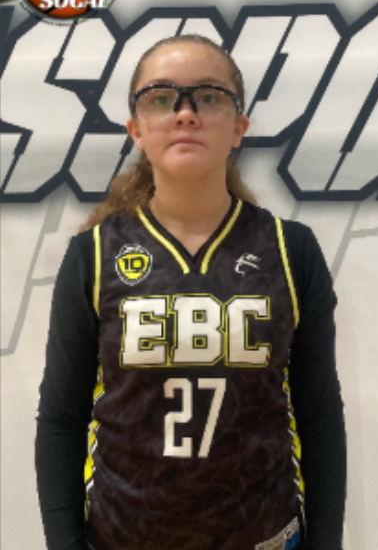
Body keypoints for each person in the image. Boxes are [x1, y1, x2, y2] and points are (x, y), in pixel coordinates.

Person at [36, 34, 346, 550]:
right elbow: (60, 420)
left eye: (208, 96)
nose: (185, 113)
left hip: (264, 537)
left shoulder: (290, 249)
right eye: (161, 97)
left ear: (239, 127)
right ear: (136, 129)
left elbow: (320, 415)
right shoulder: (93, 255)